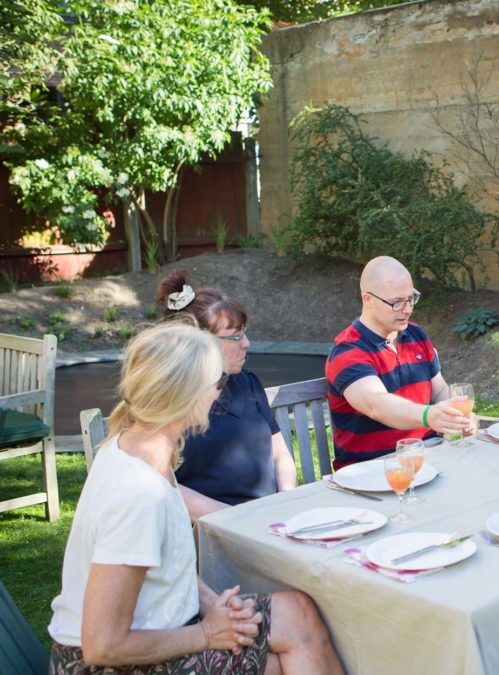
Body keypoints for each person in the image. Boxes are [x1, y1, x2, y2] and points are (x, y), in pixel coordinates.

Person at [48, 322, 344, 674]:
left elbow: (172, 566)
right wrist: (207, 633)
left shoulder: (143, 448)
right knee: (280, 663)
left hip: (160, 627)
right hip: (102, 664)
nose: (221, 391)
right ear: (186, 396)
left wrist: (214, 605)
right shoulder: (139, 496)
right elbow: (103, 645)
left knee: (298, 613)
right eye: (217, 382)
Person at [156, 270, 296, 519]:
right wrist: (235, 520)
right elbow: (160, 484)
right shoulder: (170, 402)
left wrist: (286, 499)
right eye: (236, 336)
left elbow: (280, 453)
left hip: (270, 519)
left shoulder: (247, 383)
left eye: (245, 332)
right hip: (212, 529)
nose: (247, 343)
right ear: (200, 342)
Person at [325, 256, 476, 467]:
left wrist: (457, 416)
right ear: (368, 300)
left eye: (411, 298)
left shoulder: (415, 334)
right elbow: (376, 404)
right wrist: (429, 415)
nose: (407, 309)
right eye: (396, 302)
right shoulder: (349, 351)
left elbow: (439, 390)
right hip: (372, 469)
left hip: (427, 457)